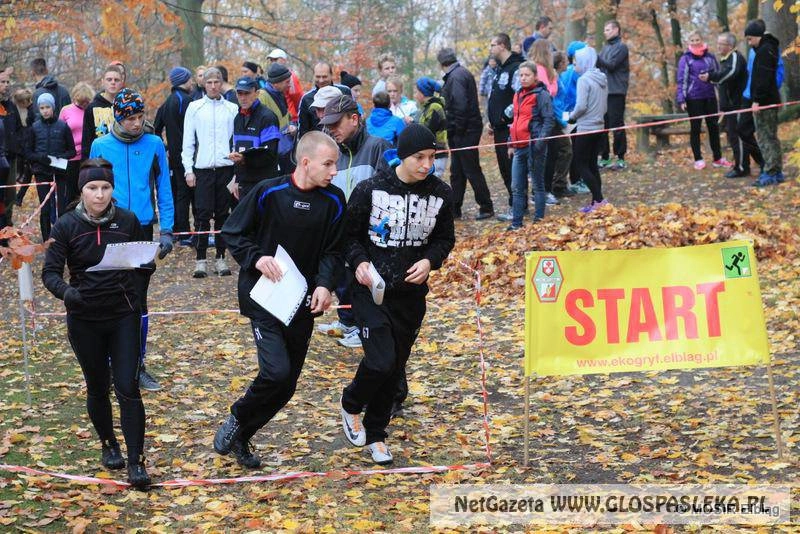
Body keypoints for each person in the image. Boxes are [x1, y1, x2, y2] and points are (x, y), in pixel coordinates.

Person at [214, 131, 345, 469]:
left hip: (302, 302)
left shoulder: (334, 200)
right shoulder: (267, 191)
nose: (334, 171)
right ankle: (237, 416)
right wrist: (257, 258)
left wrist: (326, 285)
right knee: (276, 372)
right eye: (328, 164)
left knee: (286, 386)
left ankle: (242, 435)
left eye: (336, 164)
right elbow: (232, 232)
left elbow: (333, 250)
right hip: (264, 299)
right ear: (305, 162)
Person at [339, 124, 455, 465]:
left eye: (432, 157)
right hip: (370, 291)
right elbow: (348, 238)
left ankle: (376, 436)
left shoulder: (441, 194)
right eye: (419, 157)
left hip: (410, 295)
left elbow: (445, 239)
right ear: (402, 156)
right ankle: (350, 402)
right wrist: (359, 263)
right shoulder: (370, 190)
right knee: (380, 360)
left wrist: (429, 261)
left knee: (394, 367)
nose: (426, 165)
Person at [41, 159, 152, 489]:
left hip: (123, 315)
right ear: (82, 190)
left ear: (112, 189)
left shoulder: (128, 220)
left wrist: (142, 275)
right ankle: (109, 444)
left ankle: (136, 461)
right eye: (92, 188)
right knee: (98, 386)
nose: (100, 195)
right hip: (84, 317)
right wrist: (67, 293)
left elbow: (143, 262)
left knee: (128, 388)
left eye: (105, 188)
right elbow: (50, 273)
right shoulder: (65, 226)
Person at [88, 88, 174, 393]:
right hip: (108, 226)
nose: (136, 123)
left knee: (138, 298)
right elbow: (89, 187)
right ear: (118, 118)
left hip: (142, 227)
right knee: (110, 296)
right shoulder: (100, 144)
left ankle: (138, 365)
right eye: (130, 119)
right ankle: (110, 365)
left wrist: (167, 229)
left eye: (140, 117)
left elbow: (164, 186)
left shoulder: (153, 144)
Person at [315, 95, 390, 349]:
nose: (330, 129)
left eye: (336, 123)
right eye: (328, 124)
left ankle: (364, 328)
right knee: (343, 281)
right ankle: (350, 324)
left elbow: (389, 191)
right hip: (342, 235)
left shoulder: (378, 146)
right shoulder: (335, 154)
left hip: (371, 236)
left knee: (364, 284)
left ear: (354, 119)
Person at [182, 67, 239, 278]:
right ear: (203, 85)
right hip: (203, 169)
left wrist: (237, 173)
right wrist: (188, 170)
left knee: (223, 215)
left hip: (225, 168)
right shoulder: (194, 108)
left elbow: (237, 141)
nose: (213, 86)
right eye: (209, 82)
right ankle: (200, 259)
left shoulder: (232, 108)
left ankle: (221, 258)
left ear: (222, 83)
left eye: (217, 82)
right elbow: (187, 142)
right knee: (202, 215)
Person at [437, 47, 494, 220]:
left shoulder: (456, 77)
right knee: (457, 170)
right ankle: (455, 208)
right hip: (464, 130)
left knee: (470, 169)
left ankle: (486, 206)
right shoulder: (460, 74)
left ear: (442, 64)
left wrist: (456, 131)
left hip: (465, 131)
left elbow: (460, 106)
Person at [506, 61, 553, 230]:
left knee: (537, 185)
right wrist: (510, 142)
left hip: (534, 147)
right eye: (521, 75)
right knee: (517, 187)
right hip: (519, 147)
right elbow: (515, 121)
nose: (523, 78)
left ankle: (538, 222)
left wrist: (540, 142)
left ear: (535, 76)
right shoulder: (517, 94)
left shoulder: (541, 95)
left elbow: (549, 120)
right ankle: (516, 224)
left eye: (527, 75)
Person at [700, 33, 753, 178]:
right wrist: (711, 77)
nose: (718, 46)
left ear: (729, 45)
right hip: (729, 107)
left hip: (737, 105)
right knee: (734, 137)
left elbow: (730, 74)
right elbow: (722, 79)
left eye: (721, 43)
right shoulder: (724, 59)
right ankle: (749, 163)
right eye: (717, 42)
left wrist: (711, 77)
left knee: (738, 137)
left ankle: (742, 167)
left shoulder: (735, 57)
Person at [25, 92, 76, 240]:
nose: (45, 110)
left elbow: (72, 151)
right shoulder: (34, 127)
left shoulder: (63, 126)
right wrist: (40, 158)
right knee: (45, 209)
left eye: (48, 107)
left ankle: (62, 239)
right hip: (42, 173)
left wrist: (62, 156)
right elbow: (28, 152)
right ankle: (46, 240)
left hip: (60, 173)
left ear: (53, 108)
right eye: (42, 108)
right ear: (38, 109)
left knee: (62, 208)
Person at [676, 31, 728, 170]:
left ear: (702, 40)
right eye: (692, 40)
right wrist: (681, 99)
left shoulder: (710, 58)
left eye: (697, 39)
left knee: (713, 127)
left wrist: (721, 96)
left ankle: (718, 158)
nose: (695, 42)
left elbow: (718, 76)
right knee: (695, 128)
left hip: (710, 97)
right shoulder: (685, 59)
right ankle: (698, 159)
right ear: (689, 43)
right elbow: (682, 80)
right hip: (693, 98)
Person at [154, 66, 196, 241]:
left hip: (174, 156)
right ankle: (185, 232)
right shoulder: (187, 101)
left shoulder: (167, 102)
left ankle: (180, 229)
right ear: (184, 81)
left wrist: (166, 147)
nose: (192, 82)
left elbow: (155, 129)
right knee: (187, 195)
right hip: (188, 156)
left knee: (178, 193)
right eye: (190, 79)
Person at [486, 33, 524, 221]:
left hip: (511, 129)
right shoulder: (499, 70)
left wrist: (502, 118)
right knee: (504, 169)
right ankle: (514, 204)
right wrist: (492, 121)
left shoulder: (516, 68)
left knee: (512, 169)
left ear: (502, 46)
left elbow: (519, 98)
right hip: (499, 129)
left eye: (492, 45)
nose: (490, 49)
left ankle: (518, 207)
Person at [568, 47, 609, 213]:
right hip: (599, 126)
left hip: (585, 128)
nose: (574, 65)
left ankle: (599, 199)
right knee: (592, 164)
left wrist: (572, 117)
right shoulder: (602, 78)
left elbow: (581, 106)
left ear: (584, 63)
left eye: (575, 63)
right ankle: (596, 202)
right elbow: (605, 106)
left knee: (581, 165)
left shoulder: (584, 80)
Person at [744, 20, 784, 186]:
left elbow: (763, 79)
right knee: (770, 137)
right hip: (768, 100)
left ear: (757, 36)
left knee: (765, 138)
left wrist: (757, 100)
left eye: (750, 39)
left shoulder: (765, 51)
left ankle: (771, 171)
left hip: (765, 102)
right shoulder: (767, 49)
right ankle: (775, 170)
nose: (749, 42)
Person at [229, 77, 281, 200]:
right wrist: (237, 179)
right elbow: (237, 150)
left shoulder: (268, 117)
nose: (243, 97)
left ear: (256, 93)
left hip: (264, 183)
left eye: (247, 93)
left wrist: (244, 159)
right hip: (244, 184)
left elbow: (270, 154)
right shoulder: (238, 118)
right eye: (240, 93)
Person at [597, 20, 630, 170]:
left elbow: (611, 65)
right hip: (603, 92)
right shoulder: (604, 48)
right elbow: (600, 65)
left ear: (616, 30)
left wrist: (595, 57)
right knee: (603, 125)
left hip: (616, 91)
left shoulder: (621, 47)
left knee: (617, 125)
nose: (606, 32)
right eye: (604, 30)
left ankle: (620, 157)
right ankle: (604, 157)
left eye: (608, 29)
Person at [59, 82, 95, 207]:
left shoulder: (92, 110)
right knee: (71, 193)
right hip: (70, 158)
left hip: (87, 156)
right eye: (81, 102)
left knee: (87, 190)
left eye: (87, 101)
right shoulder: (66, 110)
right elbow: (59, 134)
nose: (84, 104)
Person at [545, 52, 575, 199]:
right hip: (556, 120)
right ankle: (558, 185)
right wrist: (564, 122)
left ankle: (559, 184)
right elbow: (556, 103)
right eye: (565, 61)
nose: (567, 63)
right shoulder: (555, 77)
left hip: (560, 117)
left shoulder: (560, 76)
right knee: (566, 150)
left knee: (562, 151)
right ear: (560, 63)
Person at [82, 64, 125, 159]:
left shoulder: (126, 106)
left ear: (121, 83)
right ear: (103, 82)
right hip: (100, 161)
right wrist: (85, 166)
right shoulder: (92, 108)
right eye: (109, 79)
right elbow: (86, 141)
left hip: (123, 158)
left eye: (116, 80)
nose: (113, 82)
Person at [263, 63, 299, 174]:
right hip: (274, 156)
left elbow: (285, 119)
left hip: (285, 152)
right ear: (275, 83)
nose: (289, 85)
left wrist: (292, 127)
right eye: (287, 82)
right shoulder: (262, 97)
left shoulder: (280, 94)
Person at [298, 62, 351, 136]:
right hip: (318, 142)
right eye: (318, 77)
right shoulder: (306, 99)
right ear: (313, 76)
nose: (321, 80)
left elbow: (352, 116)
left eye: (324, 77)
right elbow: (303, 130)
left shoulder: (344, 91)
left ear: (331, 75)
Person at [0, 67, 23, 223]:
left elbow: (19, 130)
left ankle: (6, 230)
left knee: (9, 195)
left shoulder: (10, 106)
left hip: (10, 158)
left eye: (8, 81)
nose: (6, 85)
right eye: (2, 82)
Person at [413, 77, 448, 178]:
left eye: (416, 92)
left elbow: (428, 131)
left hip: (437, 155)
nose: (415, 95)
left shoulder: (434, 107)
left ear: (422, 93)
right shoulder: (427, 107)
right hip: (430, 154)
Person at [266, 49, 304, 123]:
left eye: (275, 59)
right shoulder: (271, 76)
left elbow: (298, 97)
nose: (273, 62)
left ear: (283, 60)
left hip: (291, 118)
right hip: (278, 117)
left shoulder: (290, 77)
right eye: (271, 60)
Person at [29, 57, 71, 122]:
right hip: (65, 130)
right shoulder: (64, 91)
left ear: (32, 73)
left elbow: (38, 120)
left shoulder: (37, 94)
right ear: (47, 70)